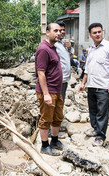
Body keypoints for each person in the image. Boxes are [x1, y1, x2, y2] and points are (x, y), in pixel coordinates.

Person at [78, 23, 109, 146]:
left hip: (103, 86)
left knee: (102, 111)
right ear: (90, 35)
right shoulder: (91, 49)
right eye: (94, 33)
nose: (97, 34)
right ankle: (96, 129)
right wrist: (83, 83)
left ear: (102, 32)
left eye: (99, 32)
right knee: (93, 110)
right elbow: (87, 69)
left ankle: (101, 136)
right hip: (91, 85)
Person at [35, 23, 64, 156]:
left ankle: (55, 141)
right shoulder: (43, 49)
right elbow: (41, 73)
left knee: (57, 117)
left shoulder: (53, 48)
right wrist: (46, 94)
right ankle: (45, 146)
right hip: (48, 91)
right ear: (47, 32)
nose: (58, 33)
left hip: (56, 90)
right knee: (46, 118)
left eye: (59, 31)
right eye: (55, 31)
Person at [55, 21, 71, 104]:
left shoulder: (62, 43)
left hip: (64, 79)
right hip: (57, 80)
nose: (62, 32)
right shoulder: (53, 44)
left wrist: (69, 49)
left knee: (61, 103)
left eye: (63, 30)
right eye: (59, 30)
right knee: (57, 104)